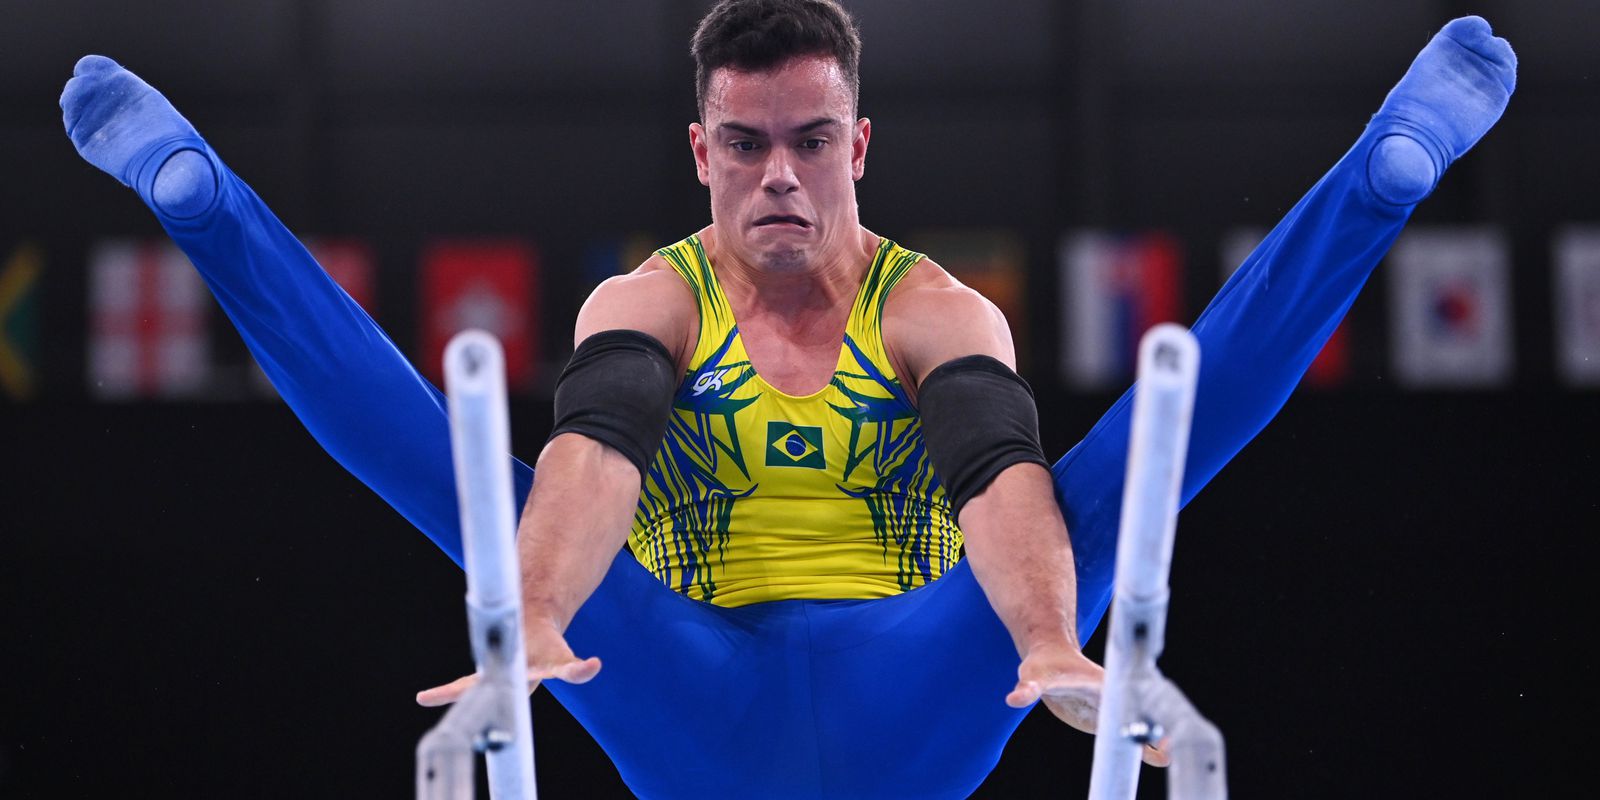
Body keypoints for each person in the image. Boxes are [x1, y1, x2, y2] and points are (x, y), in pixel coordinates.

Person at [60, 1, 1515, 797]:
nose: (780, 177)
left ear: (860, 142)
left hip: (922, 685)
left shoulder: (936, 307)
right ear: (699, 148)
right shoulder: (651, 302)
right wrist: (540, 625)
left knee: (1122, 470)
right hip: (681, 688)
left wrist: (1050, 649)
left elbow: (997, 481)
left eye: (812, 142)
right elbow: (595, 460)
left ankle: (1379, 180)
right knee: (485, 493)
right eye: (747, 144)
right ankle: (207, 208)